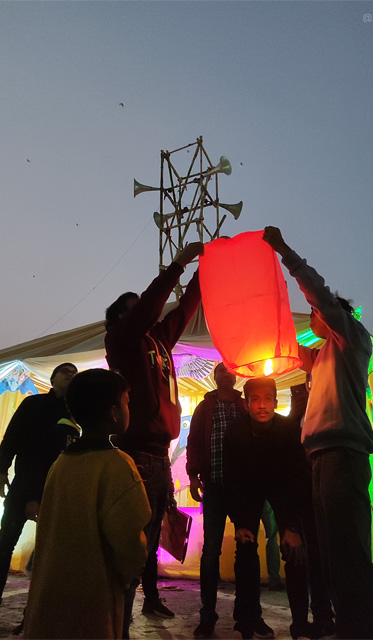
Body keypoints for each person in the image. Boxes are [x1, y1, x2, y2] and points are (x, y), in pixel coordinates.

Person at [263, 226, 373, 640]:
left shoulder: (352, 339)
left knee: (348, 555)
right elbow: (287, 349)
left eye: (317, 315)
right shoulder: (323, 358)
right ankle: (350, 627)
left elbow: (322, 296)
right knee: (332, 556)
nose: (312, 318)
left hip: (341, 455)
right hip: (320, 457)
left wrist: (284, 252)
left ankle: (364, 632)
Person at [105, 242, 203, 635]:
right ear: (121, 318)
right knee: (130, 548)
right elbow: (151, 306)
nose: (150, 310)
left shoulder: (157, 341)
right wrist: (178, 264)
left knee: (148, 543)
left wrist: (203, 272)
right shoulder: (122, 340)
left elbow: (185, 310)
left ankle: (132, 611)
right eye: (138, 306)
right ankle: (116, 624)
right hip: (135, 452)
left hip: (160, 455)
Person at [23, 369, 151, 639]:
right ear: (114, 412)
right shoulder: (118, 465)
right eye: (127, 402)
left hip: (53, 593)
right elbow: (129, 539)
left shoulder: (62, 463)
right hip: (94, 600)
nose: (130, 409)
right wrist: (129, 574)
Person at [0, 363, 79, 634]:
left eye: (75, 372)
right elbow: (12, 436)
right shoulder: (34, 403)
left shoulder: (78, 412)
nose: (70, 374)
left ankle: (34, 614)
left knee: (48, 555)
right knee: (4, 548)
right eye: (65, 370)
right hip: (23, 483)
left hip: (58, 490)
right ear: (52, 378)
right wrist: (2, 470)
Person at [223, 377, 310, 640]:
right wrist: (240, 523)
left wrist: (291, 526)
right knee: (247, 550)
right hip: (248, 491)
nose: (263, 405)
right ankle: (247, 621)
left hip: (282, 491)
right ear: (247, 404)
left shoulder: (287, 430)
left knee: (293, 551)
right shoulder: (235, 433)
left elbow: (296, 480)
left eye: (268, 399)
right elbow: (232, 480)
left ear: (275, 400)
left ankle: (300, 624)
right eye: (256, 400)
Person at [186, 362, 247, 639]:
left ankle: (246, 614)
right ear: (216, 376)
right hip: (213, 485)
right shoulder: (204, 407)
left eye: (231, 371)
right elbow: (194, 440)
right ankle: (207, 615)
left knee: (246, 548)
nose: (228, 374)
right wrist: (193, 476)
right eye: (222, 370)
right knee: (211, 551)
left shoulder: (244, 405)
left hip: (242, 488)